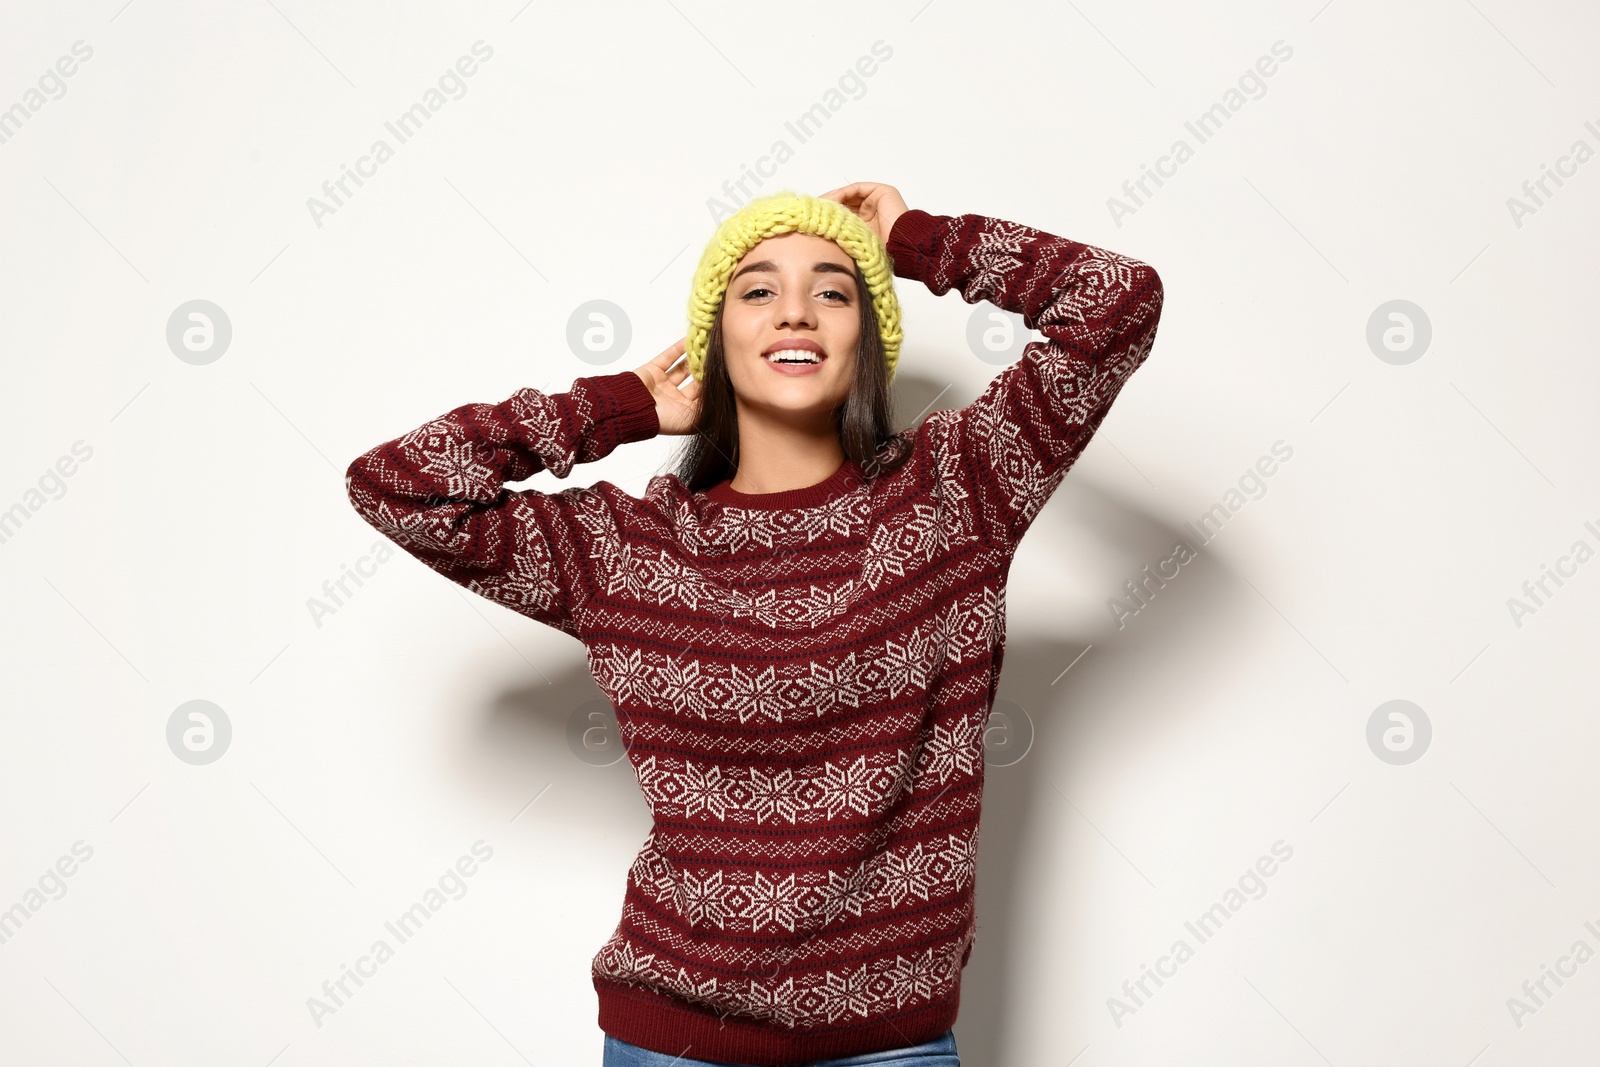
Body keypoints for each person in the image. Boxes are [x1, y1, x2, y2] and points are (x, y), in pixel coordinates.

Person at [345, 182, 1165, 1066]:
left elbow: (1117, 304)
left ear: (867, 339)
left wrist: (912, 239)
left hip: (889, 1044)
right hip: (676, 1040)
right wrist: (616, 404)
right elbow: (397, 484)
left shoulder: (956, 493)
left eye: (835, 289)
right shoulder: (628, 547)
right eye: (759, 290)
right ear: (717, 341)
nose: (797, 313)